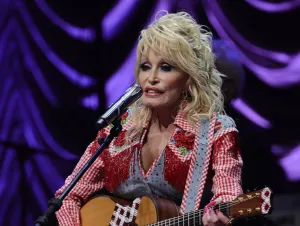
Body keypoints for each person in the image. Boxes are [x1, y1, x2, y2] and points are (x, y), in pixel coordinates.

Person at [54, 11, 243, 226]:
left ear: (189, 78)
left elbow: (228, 196)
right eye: (145, 67)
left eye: (165, 67)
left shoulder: (217, 131)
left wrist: (219, 218)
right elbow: (68, 196)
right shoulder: (119, 129)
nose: (151, 78)